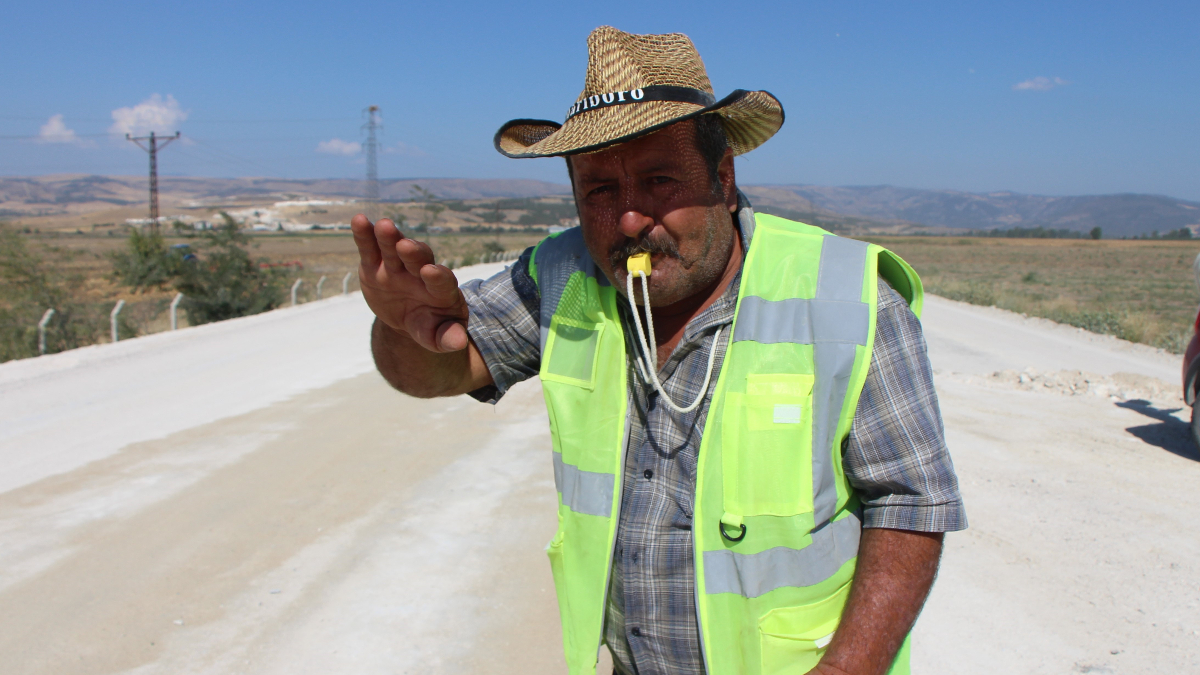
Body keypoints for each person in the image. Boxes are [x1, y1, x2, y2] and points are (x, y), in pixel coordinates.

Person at [351, 26, 965, 675]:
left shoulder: (847, 298)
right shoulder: (563, 274)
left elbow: (910, 502)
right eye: (600, 190)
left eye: (659, 180)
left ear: (723, 179)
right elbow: (437, 369)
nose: (630, 220)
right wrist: (401, 329)